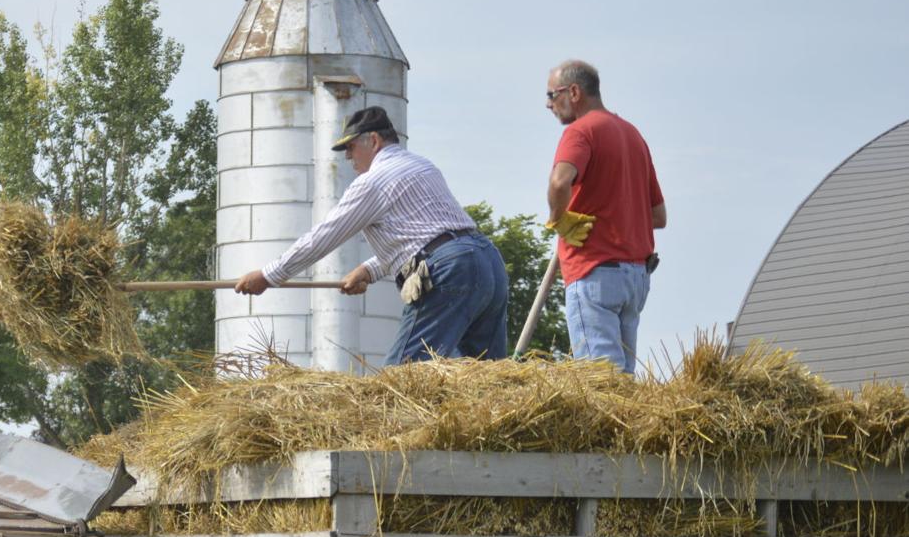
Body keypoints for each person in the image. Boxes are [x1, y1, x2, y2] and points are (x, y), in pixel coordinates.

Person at [235, 105, 509, 366]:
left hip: (449, 271)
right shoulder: (422, 166)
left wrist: (270, 274)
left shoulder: (372, 181)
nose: (348, 157)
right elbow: (429, 237)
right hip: (487, 262)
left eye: (351, 147)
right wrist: (369, 269)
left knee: (404, 378)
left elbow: (325, 236)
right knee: (485, 373)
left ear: (374, 141)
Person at [544, 59, 666, 375]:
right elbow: (658, 215)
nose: (549, 105)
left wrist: (559, 219)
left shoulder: (581, 131)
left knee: (601, 384)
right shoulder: (632, 135)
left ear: (573, 92)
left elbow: (560, 182)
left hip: (595, 271)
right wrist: (618, 216)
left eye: (551, 95)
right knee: (622, 379)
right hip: (635, 278)